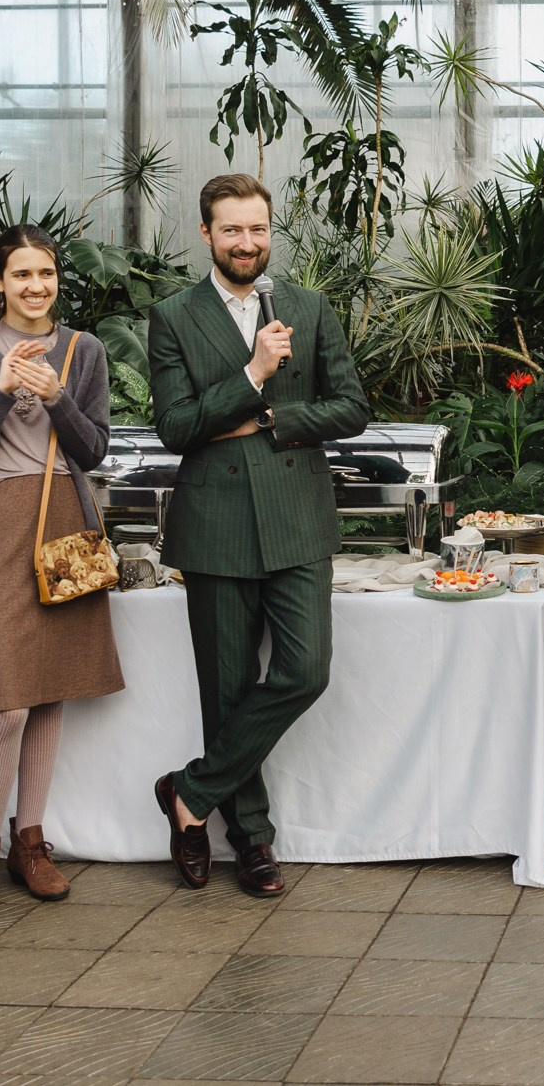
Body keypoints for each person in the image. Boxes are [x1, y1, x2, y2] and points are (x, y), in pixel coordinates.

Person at [149, 173, 369, 898]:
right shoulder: (173, 315)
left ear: (270, 231)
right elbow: (177, 426)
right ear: (206, 233)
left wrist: (275, 418)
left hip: (298, 517)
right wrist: (251, 373)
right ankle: (253, 840)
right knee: (226, 686)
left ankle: (189, 792)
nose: (248, 241)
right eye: (232, 229)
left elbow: (351, 407)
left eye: (258, 228)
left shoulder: (308, 306)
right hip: (213, 524)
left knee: (306, 668)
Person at [0, 226, 123, 921]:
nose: (36, 286)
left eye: (46, 274)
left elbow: (94, 448)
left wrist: (60, 397)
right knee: (7, 702)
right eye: (22, 274)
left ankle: (29, 843)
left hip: (65, 520)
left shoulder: (83, 349)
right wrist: (2, 391)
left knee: (49, 694)